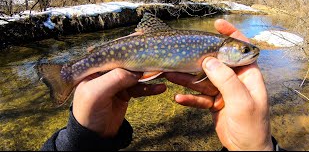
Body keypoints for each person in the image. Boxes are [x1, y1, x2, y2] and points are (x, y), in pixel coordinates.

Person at [41, 19, 284, 151]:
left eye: (246, 50)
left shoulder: (213, 44)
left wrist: (80, 142)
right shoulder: (213, 48)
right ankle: (66, 75)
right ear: (222, 51)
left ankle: (68, 74)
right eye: (244, 50)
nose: (251, 53)